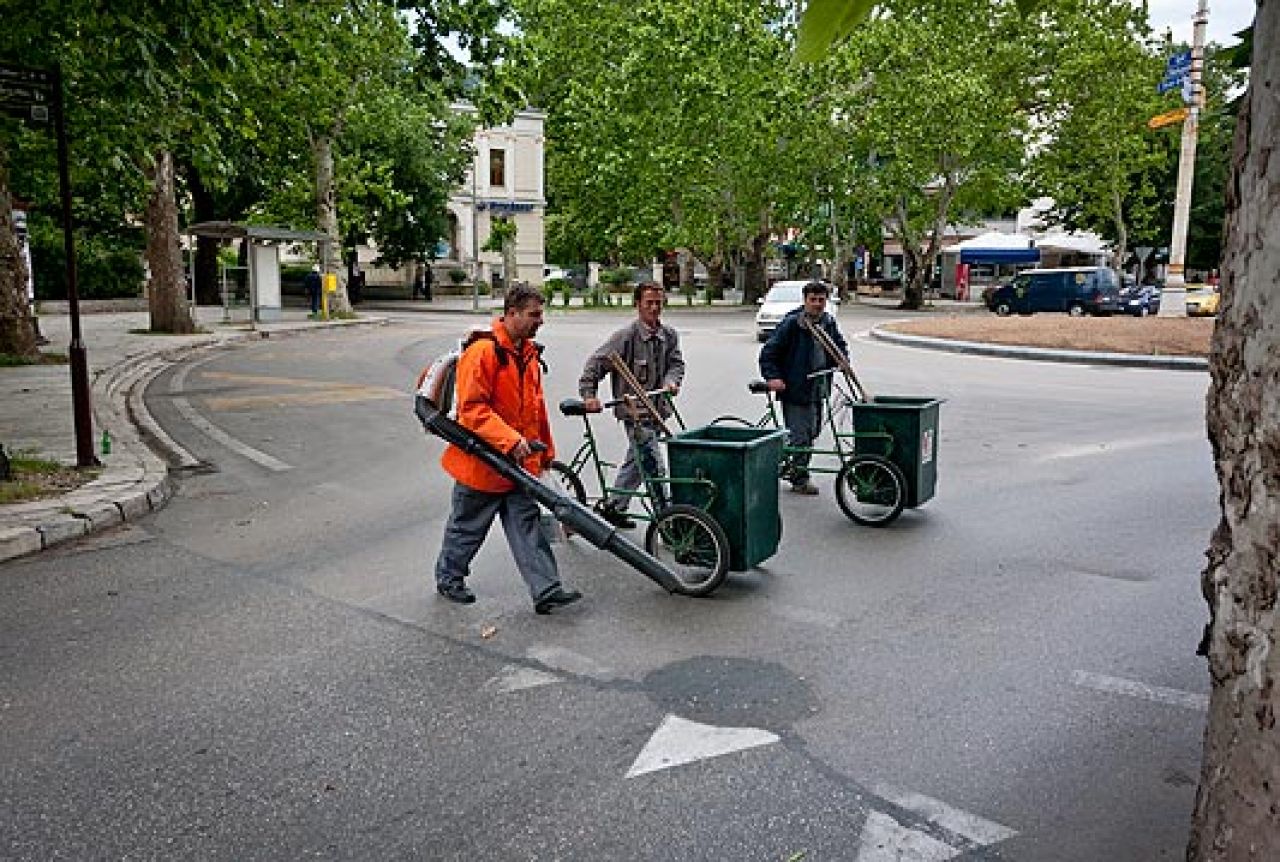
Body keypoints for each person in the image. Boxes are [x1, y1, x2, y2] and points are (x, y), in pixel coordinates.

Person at [434, 284, 582, 615]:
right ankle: (449, 578)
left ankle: (546, 589)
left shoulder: (528, 354)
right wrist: (512, 442)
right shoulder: (484, 352)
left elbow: (536, 409)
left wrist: (545, 454)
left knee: (527, 526)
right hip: (483, 463)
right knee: (467, 528)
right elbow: (472, 409)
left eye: (541, 314)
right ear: (511, 313)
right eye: (534, 315)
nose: (540, 321)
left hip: (518, 465)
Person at [578, 282, 685, 528]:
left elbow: (676, 365)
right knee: (653, 466)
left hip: (659, 411)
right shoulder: (625, 337)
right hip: (635, 414)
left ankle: (615, 507)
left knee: (637, 462)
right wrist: (589, 395)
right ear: (637, 305)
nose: (655, 308)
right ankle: (668, 523)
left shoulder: (668, 335)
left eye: (659, 302)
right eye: (649, 303)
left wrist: (671, 382)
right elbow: (595, 365)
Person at [758, 280, 849, 496]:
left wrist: (843, 360)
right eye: (813, 300)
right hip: (796, 389)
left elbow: (839, 346)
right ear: (805, 300)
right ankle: (799, 478)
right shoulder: (792, 323)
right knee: (801, 438)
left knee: (813, 432)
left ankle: (782, 455)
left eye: (821, 300)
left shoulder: (828, 322)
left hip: (818, 388)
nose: (817, 304)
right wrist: (773, 377)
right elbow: (768, 353)